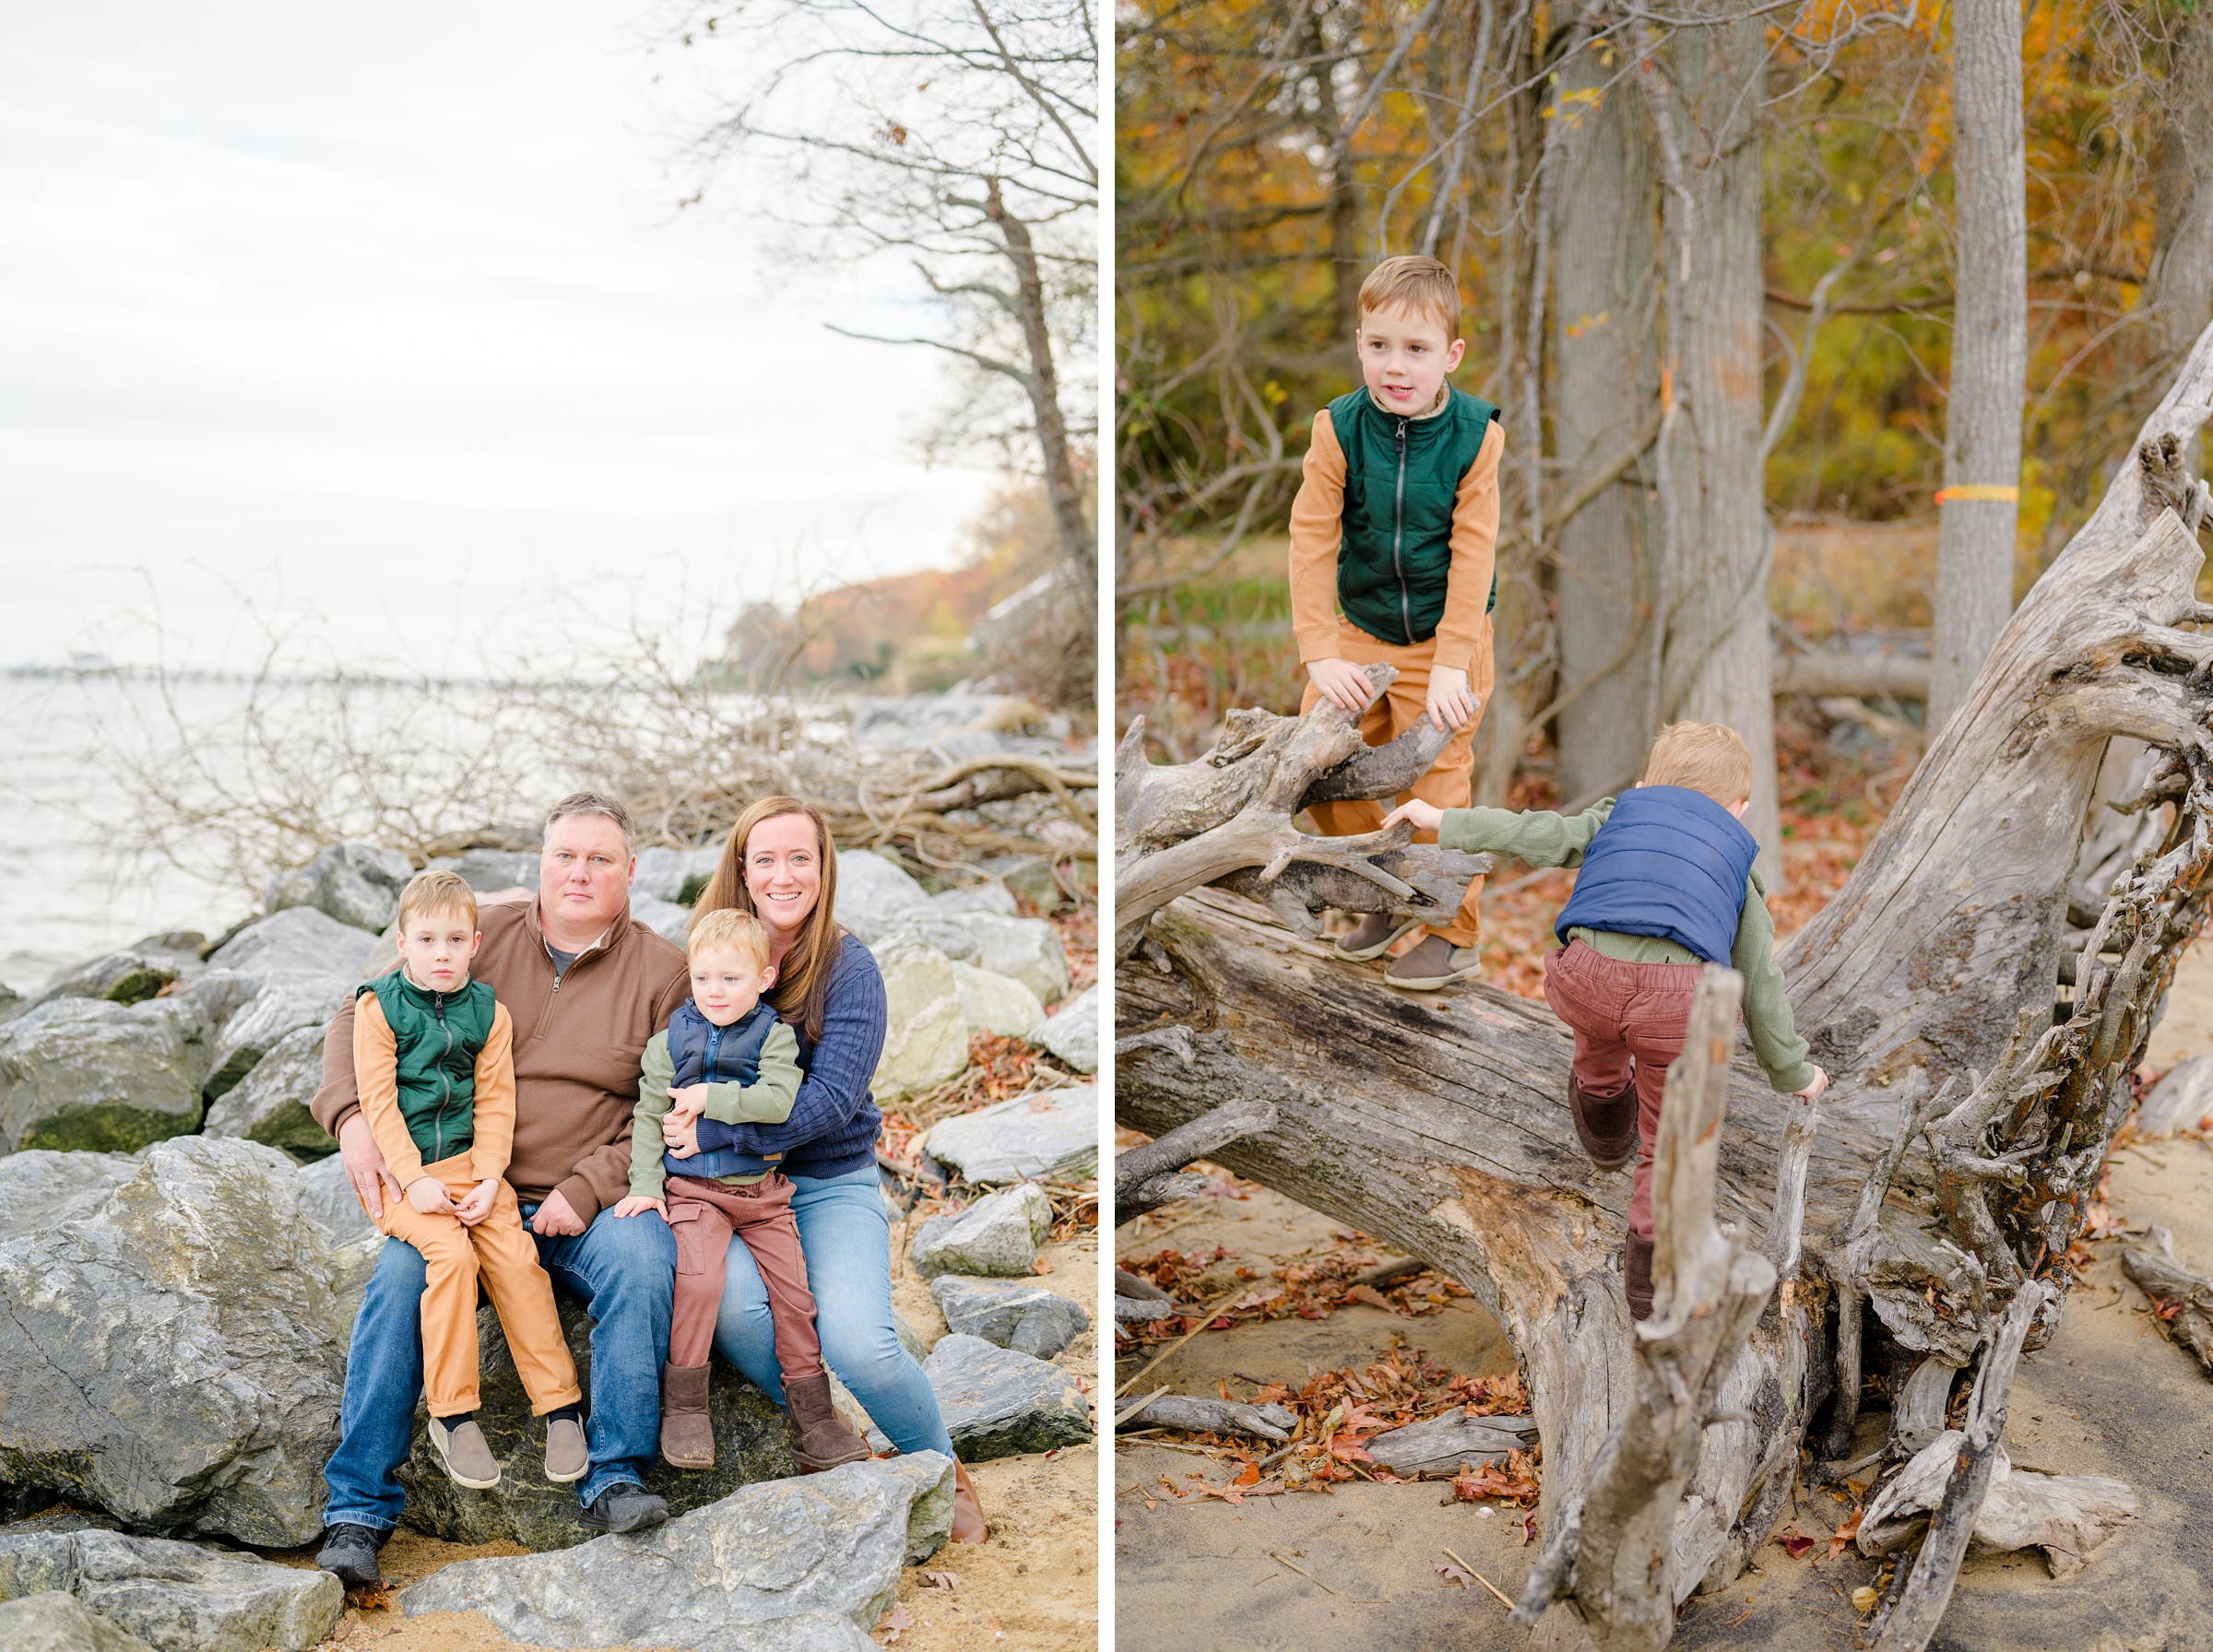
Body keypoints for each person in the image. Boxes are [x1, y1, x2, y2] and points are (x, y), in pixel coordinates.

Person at [312, 792, 691, 1587]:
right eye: (564, 855)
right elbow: (359, 1012)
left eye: (599, 858)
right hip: (453, 1189)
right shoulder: (475, 932)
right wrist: (350, 1119)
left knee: (646, 1261)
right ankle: (357, 1512)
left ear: (632, 870)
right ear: (539, 859)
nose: (579, 873)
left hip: (579, 1206)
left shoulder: (665, 972)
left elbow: (661, 1113)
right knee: (401, 1282)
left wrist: (587, 1189)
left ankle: (614, 1476)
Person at [1384, 722, 1828, 1320]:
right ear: (1739, 809)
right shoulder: (1738, 863)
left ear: (1644, 785)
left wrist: (1444, 819)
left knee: (1599, 1035)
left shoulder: (1620, 814)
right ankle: (1650, 1290)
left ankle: (1600, 1122)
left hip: (1585, 978)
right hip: (1678, 1006)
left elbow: (1535, 831)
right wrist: (1791, 1070)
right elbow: (1759, 981)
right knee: (1668, 1141)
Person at [681, 796, 988, 1542]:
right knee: (736, 1312)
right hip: (725, 1192)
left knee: (859, 1339)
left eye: (800, 859)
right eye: (766, 860)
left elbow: (827, 1104)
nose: (784, 875)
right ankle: (841, 1431)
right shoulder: (704, 953)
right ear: (742, 870)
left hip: (829, 1181)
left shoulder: (850, 969)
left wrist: (712, 1126)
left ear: (823, 869)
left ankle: (942, 1469)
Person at [1292, 252, 1505, 991]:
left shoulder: (1476, 435)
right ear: (1359, 344)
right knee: (1317, 761)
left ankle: (1452, 930)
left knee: (1440, 788)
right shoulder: (1340, 429)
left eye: (1416, 350)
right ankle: (1384, 895)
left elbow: (1473, 557)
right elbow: (1312, 537)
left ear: (1450, 355)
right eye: (1379, 345)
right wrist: (1321, 651)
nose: (1396, 366)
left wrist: (1452, 663)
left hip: (1449, 644)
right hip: (1360, 634)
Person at [612, 907, 870, 1474]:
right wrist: (646, 1185)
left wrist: (709, 1099)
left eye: (731, 979)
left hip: (764, 1196)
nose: (715, 991)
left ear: (763, 979)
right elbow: (649, 1116)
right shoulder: (667, 1045)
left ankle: (815, 1420)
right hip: (697, 1194)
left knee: (795, 1298)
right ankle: (685, 1410)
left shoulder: (775, 1039)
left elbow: (778, 1102)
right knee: (701, 1285)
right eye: (703, 978)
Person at [350, 869, 586, 1491]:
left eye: (455, 940)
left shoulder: (489, 1014)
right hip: (408, 1183)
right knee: (451, 1258)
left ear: (475, 943)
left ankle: (560, 1406)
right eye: (427, 940)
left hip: (473, 1173)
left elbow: (495, 1101)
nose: (442, 954)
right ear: (403, 943)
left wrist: (489, 1178)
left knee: (515, 1258)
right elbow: (378, 1105)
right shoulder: (378, 1007)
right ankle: (454, 1415)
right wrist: (412, 1179)